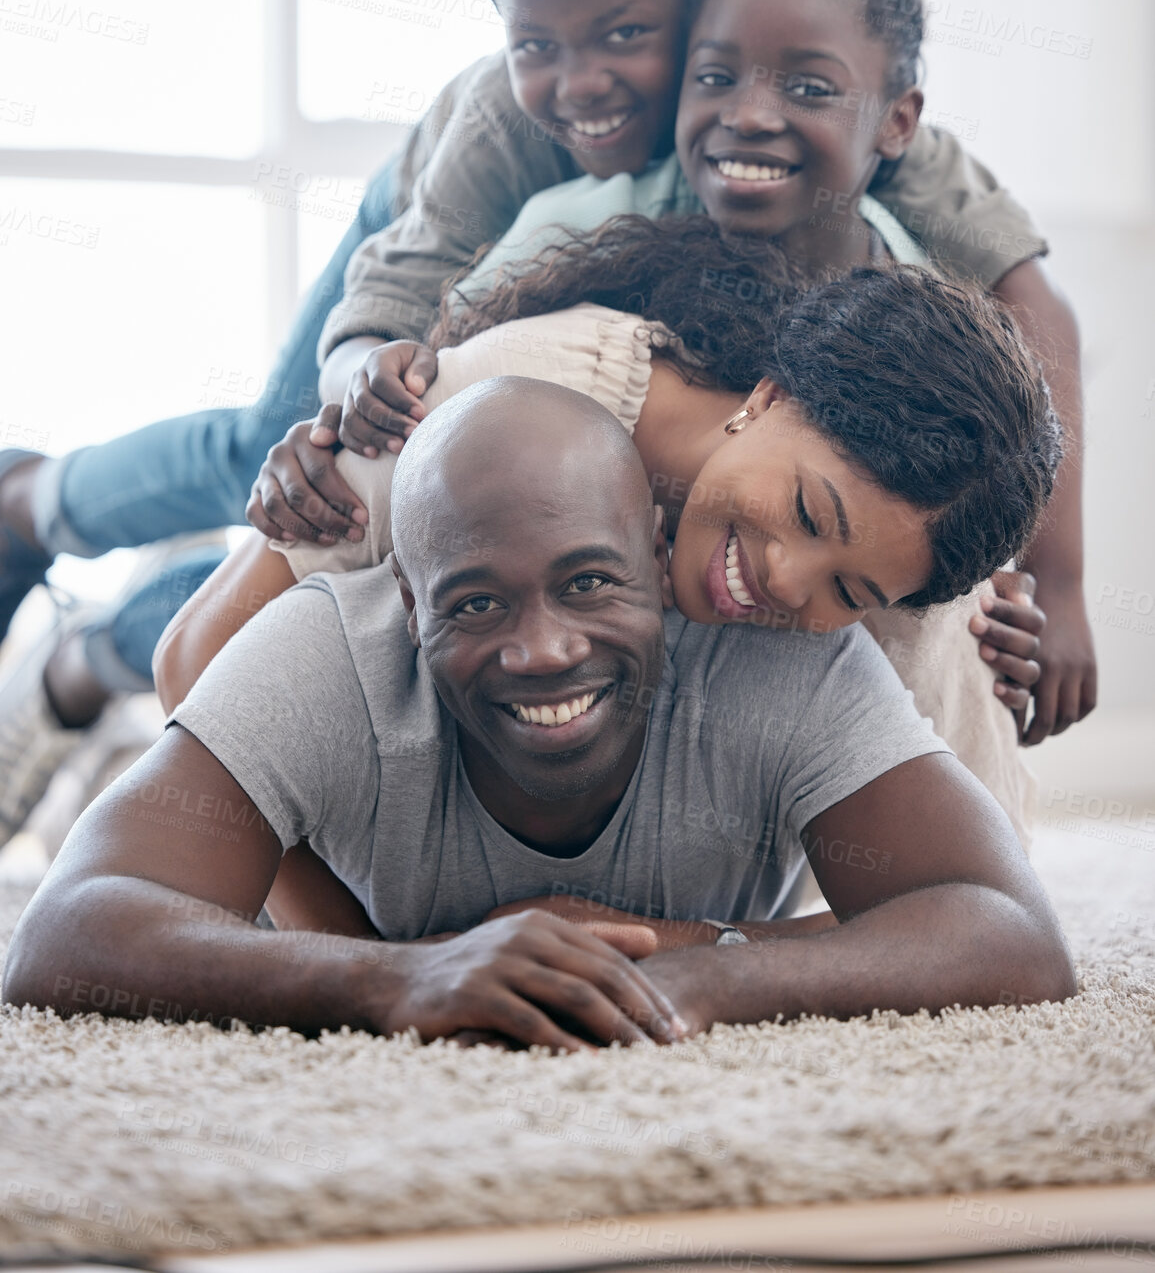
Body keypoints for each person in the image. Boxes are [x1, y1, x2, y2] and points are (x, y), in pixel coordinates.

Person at [0, 0, 1059, 842]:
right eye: (541, 45)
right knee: (283, 477)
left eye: (628, 38)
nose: (588, 82)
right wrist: (356, 402)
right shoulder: (513, 125)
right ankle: (37, 506)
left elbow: (1025, 308)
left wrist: (1032, 580)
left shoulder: (859, 127)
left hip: (675, 351)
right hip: (412, 272)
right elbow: (404, 287)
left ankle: (91, 651)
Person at [2, 379, 1075, 1048]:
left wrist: (710, 969)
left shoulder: (779, 663)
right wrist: (402, 976)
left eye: (591, 584)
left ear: (659, 566)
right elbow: (64, 932)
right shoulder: (333, 647)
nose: (544, 648)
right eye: (476, 602)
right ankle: (73, 618)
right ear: (410, 601)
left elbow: (1010, 927)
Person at [155, 227, 1057, 956]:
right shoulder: (495, 407)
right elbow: (196, 658)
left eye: (848, 587)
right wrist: (387, 964)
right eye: (804, 512)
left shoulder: (912, 582)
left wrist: (683, 944)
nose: (786, 578)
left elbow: (984, 909)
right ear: (769, 398)